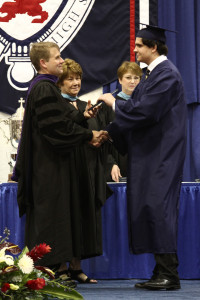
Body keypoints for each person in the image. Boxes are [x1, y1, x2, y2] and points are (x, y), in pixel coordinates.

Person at [97, 25, 187, 290]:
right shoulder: (153, 75)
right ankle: (161, 270)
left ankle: (169, 274)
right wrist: (110, 133)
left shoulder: (167, 75)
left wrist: (114, 103)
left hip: (162, 153)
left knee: (159, 208)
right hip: (150, 152)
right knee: (151, 207)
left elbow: (145, 112)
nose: (134, 50)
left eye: (138, 46)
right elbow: (137, 110)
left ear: (153, 47)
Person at [13, 42, 107, 286]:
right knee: (52, 220)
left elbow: (60, 120)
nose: (61, 60)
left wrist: (80, 116)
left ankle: (60, 270)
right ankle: (53, 272)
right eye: (57, 57)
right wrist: (89, 135)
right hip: (48, 169)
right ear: (43, 63)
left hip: (52, 167)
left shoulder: (46, 89)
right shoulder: (44, 89)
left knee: (58, 217)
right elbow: (57, 129)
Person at [56, 58, 113, 283]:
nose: (75, 82)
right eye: (70, 79)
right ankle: (60, 268)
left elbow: (91, 134)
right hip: (63, 169)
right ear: (60, 82)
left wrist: (100, 139)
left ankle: (76, 268)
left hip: (85, 169)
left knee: (82, 218)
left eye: (78, 78)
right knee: (64, 218)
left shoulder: (85, 106)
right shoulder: (56, 106)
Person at [107, 61, 142, 182]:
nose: (133, 81)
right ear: (120, 80)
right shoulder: (108, 105)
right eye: (128, 77)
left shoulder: (144, 106)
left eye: (136, 78)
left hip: (142, 165)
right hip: (118, 165)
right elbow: (103, 139)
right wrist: (111, 163)